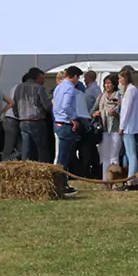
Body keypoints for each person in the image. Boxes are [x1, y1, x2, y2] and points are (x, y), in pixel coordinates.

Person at [52, 66, 82, 195]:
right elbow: (66, 106)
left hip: (58, 122)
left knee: (61, 155)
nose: (78, 80)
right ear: (74, 76)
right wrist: (74, 118)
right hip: (65, 123)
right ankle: (61, 185)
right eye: (78, 77)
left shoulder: (59, 87)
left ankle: (60, 184)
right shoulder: (69, 88)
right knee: (63, 157)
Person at [16, 67, 53, 163]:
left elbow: (14, 104)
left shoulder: (19, 87)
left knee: (26, 148)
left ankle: (25, 170)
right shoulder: (38, 88)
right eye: (42, 78)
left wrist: (19, 115)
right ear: (36, 77)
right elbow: (47, 106)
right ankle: (43, 170)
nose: (44, 81)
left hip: (23, 120)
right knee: (41, 148)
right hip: (36, 120)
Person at [93, 73, 123, 181]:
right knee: (104, 156)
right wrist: (97, 113)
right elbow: (92, 111)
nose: (107, 85)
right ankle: (105, 179)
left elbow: (124, 112)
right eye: (106, 83)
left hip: (115, 128)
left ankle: (114, 180)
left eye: (110, 83)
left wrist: (116, 114)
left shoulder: (119, 96)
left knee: (114, 155)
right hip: (104, 128)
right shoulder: (101, 97)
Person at [118, 66, 138, 189]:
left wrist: (122, 127)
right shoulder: (132, 90)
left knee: (131, 154)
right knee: (130, 154)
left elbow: (126, 110)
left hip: (128, 127)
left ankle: (130, 181)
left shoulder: (130, 90)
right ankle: (132, 178)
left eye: (121, 78)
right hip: (131, 125)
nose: (119, 81)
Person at [2, 74, 26, 161]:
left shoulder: (16, 87)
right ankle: (3, 164)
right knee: (9, 147)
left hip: (13, 118)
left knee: (21, 148)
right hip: (13, 118)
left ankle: (7, 162)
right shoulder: (21, 88)